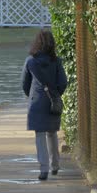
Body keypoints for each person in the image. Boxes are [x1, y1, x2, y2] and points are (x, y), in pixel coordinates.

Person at [21, 29, 68, 180]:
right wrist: (55, 96)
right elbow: (63, 82)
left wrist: (33, 96)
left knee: (39, 135)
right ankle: (55, 165)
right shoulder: (56, 61)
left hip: (36, 102)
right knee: (52, 132)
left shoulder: (30, 61)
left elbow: (24, 83)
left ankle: (44, 169)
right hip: (52, 101)